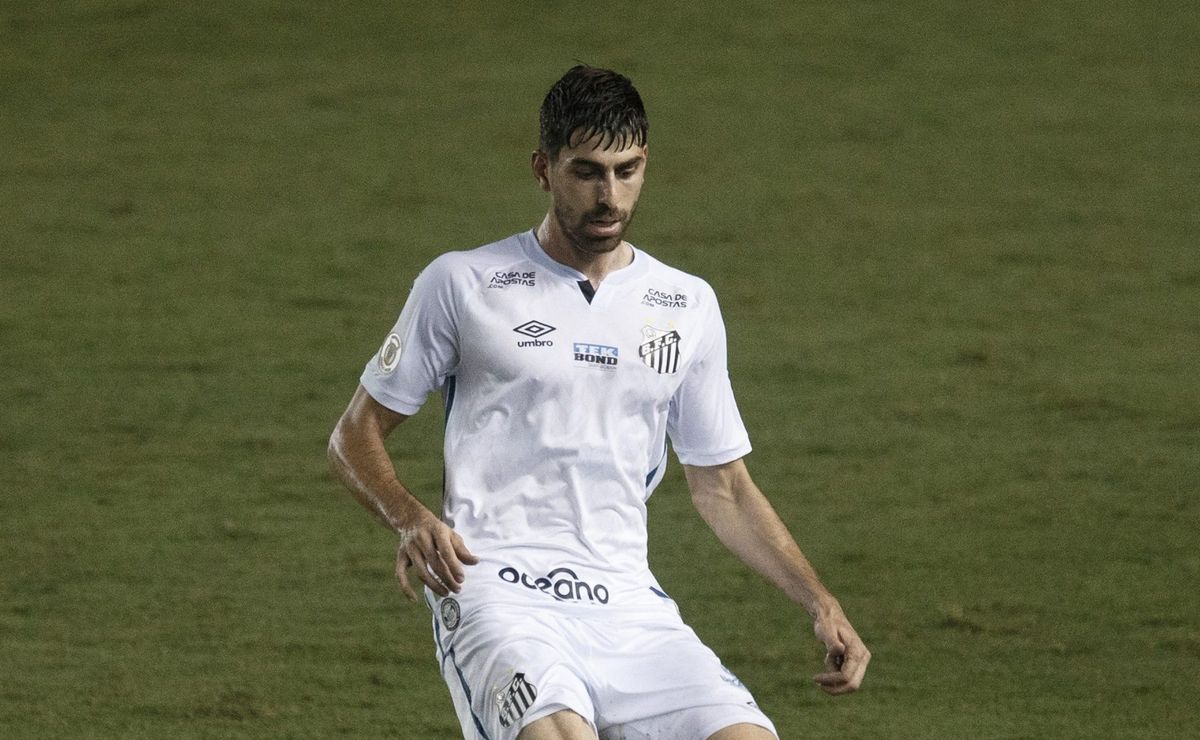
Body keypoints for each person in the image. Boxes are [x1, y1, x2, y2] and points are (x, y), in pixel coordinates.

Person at [328, 65, 869, 740]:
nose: (609, 195)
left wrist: (819, 601)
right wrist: (409, 518)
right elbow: (354, 434)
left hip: (627, 604)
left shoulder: (686, 304)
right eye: (586, 172)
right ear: (542, 169)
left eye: (627, 169)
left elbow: (724, 487)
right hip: (495, 589)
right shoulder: (463, 283)